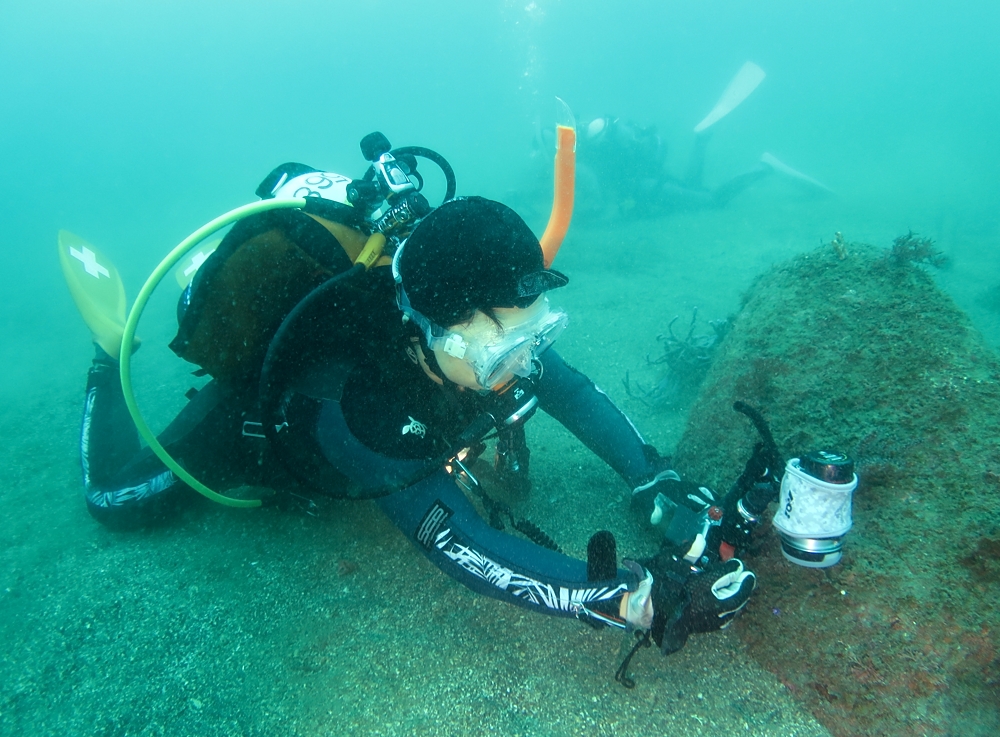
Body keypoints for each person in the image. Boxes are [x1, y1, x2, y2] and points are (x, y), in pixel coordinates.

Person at [65, 154, 764, 671]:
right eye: (504, 351)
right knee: (116, 498)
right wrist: (623, 595)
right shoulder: (354, 407)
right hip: (252, 432)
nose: (522, 363)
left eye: (536, 335)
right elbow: (460, 543)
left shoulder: (485, 337)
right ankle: (105, 358)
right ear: (433, 330)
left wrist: (652, 477)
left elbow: (572, 391)